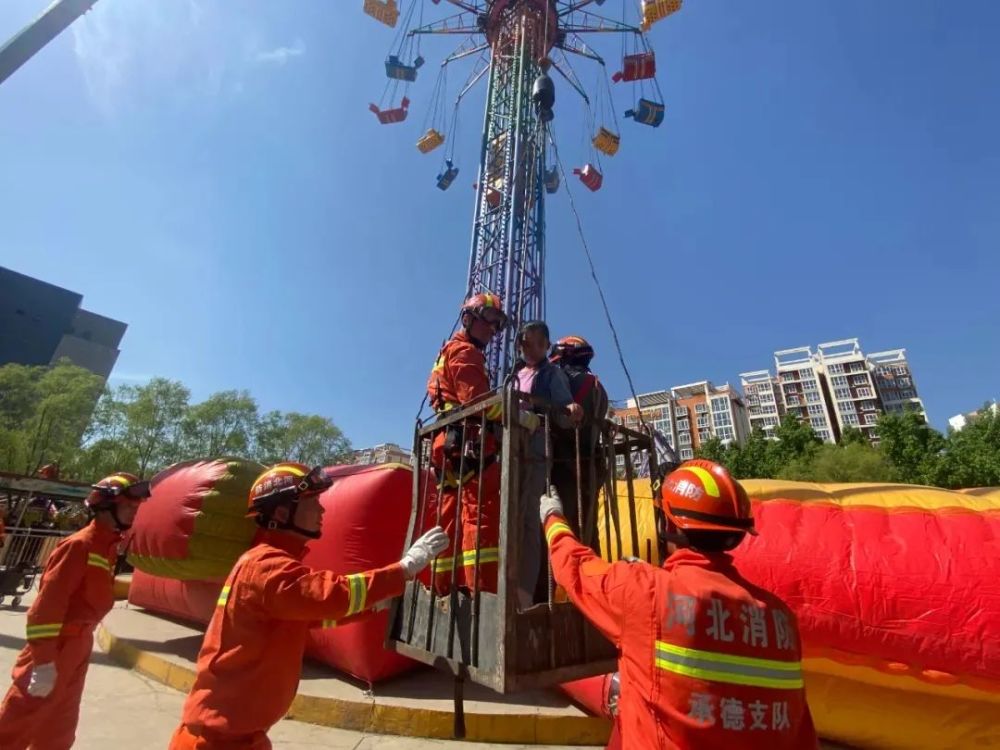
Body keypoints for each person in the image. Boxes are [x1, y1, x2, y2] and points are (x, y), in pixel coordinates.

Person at [540, 460, 818, 750]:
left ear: (668, 523)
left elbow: (575, 568)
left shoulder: (644, 590)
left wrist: (553, 517)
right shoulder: (780, 619)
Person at [169, 462, 449, 749]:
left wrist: (374, 606)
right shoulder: (266, 566)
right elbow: (332, 595)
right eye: (312, 501)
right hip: (215, 742)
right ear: (281, 513)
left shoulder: (266, 563)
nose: (322, 509)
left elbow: (309, 616)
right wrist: (404, 568)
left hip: (240, 736)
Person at [0, 471, 151, 750]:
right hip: (55, 647)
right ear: (105, 507)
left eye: (136, 507)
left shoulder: (105, 548)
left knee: (59, 730)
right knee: (16, 725)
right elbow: (44, 610)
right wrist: (44, 663)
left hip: (78, 646)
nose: (134, 512)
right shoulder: (79, 546)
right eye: (129, 506)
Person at [425, 292, 507, 594]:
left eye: (497, 326)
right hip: (470, 442)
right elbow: (480, 403)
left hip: (447, 443)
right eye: (489, 322)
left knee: (446, 519)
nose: (493, 331)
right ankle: (481, 594)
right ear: (469, 318)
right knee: (479, 518)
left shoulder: (446, 352)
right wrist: (515, 413)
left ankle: (441, 587)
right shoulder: (465, 352)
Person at [512, 321, 582, 606]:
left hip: (536, 448)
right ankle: (506, 582)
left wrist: (571, 411)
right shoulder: (514, 374)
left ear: (546, 346)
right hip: (512, 448)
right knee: (510, 518)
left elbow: (565, 413)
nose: (531, 348)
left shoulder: (551, 374)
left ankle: (524, 594)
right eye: (526, 342)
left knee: (529, 519)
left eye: (538, 343)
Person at [548, 335, 609, 546]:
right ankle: (593, 573)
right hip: (591, 466)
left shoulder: (567, 382)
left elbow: (560, 420)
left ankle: (565, 575)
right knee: (588, 527)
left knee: (564, 525)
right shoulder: (598, 386)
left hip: (566, 465)